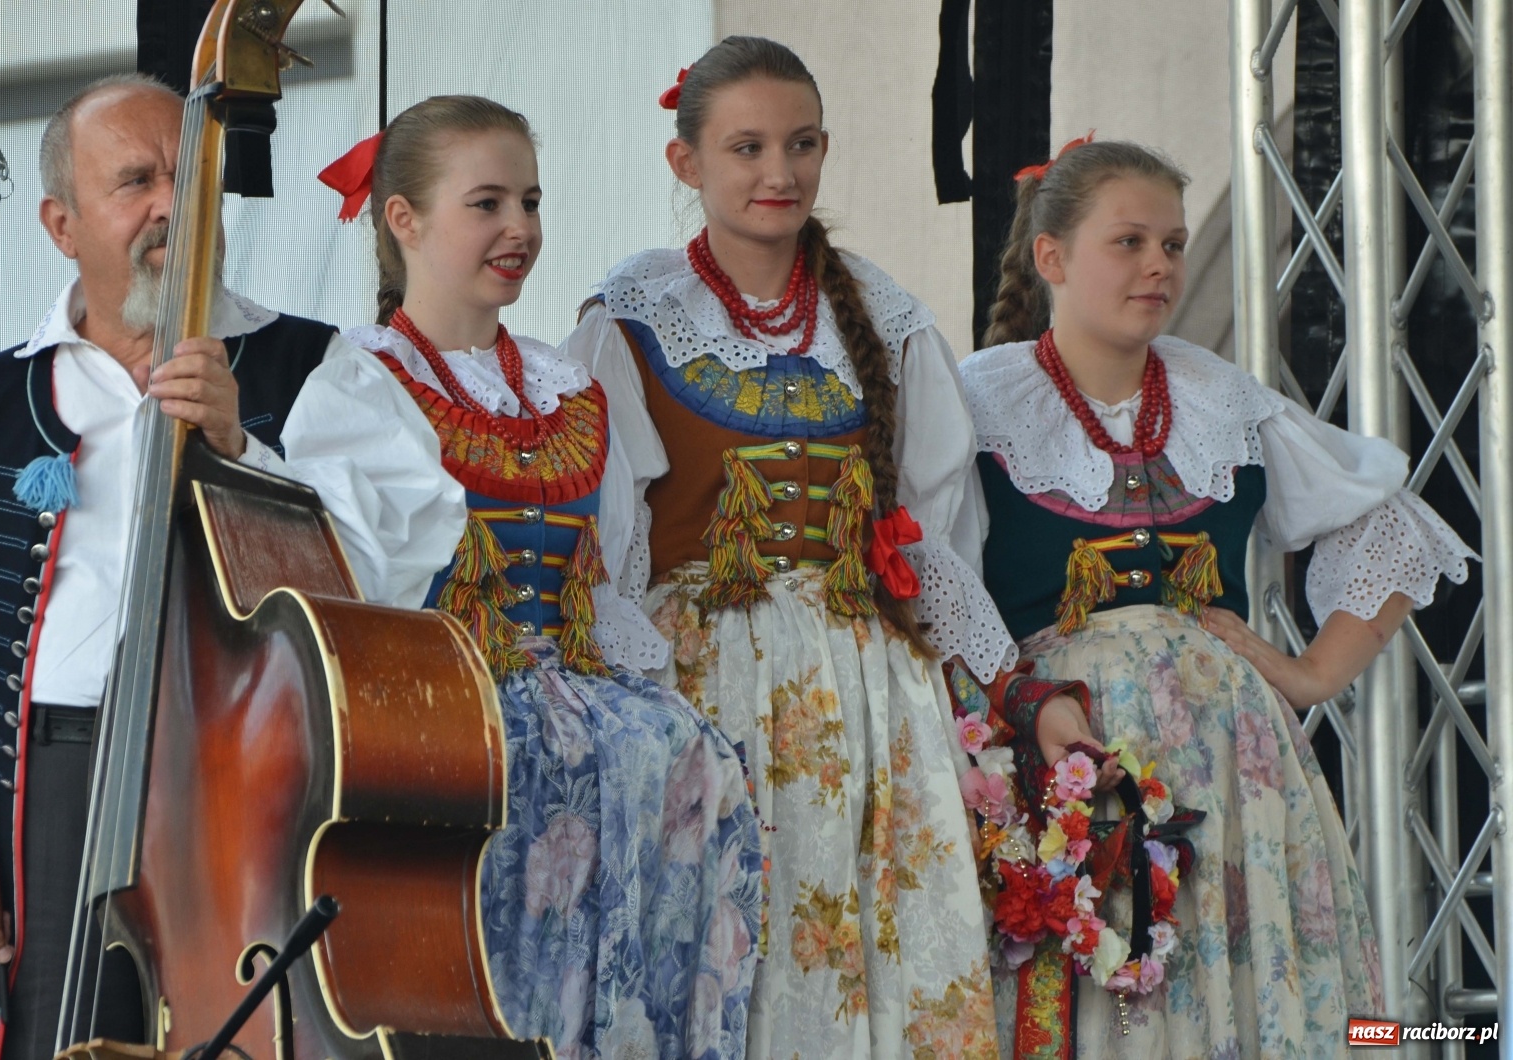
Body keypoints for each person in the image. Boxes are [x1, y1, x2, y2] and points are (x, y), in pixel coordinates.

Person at [0, 74, 463, 1060]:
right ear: (62, 223)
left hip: (246, 794)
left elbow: (395, 571)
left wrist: (241, 455)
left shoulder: (313, 368)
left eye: (189, 172)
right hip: (45, 793)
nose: (172, 201)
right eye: (135, 181)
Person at [562, 36, 1055, 1060]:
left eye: (801, 144)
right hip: (703, 691)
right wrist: (637, 710)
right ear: (685, 162)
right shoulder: (632, 317)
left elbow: (935, 544)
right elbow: (608, 554)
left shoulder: (885, 316)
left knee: (881, 966)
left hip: (873, 700)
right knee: (728, 965)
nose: (777, 172)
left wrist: (1018, 694)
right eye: (745, 147)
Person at [959, 136, 1475, 1057]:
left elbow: (1390, 528)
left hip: (1238, 773)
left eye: (1173, 243)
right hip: (1074, 770)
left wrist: (1310, 674)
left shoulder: (1220, 397)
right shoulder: (978, 402)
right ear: (1052, 257)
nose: (1160, 264)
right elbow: (930, 588)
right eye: (1130, 243)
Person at [318, 95, 764, 1060]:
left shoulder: (567, 384)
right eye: (486, 204)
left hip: (568, 691)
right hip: (442, 709)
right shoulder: (361, 379)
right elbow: (355, 594)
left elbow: (594, 588)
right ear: (405, 219)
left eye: (530, 199)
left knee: (695, 757)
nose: (519, 227)